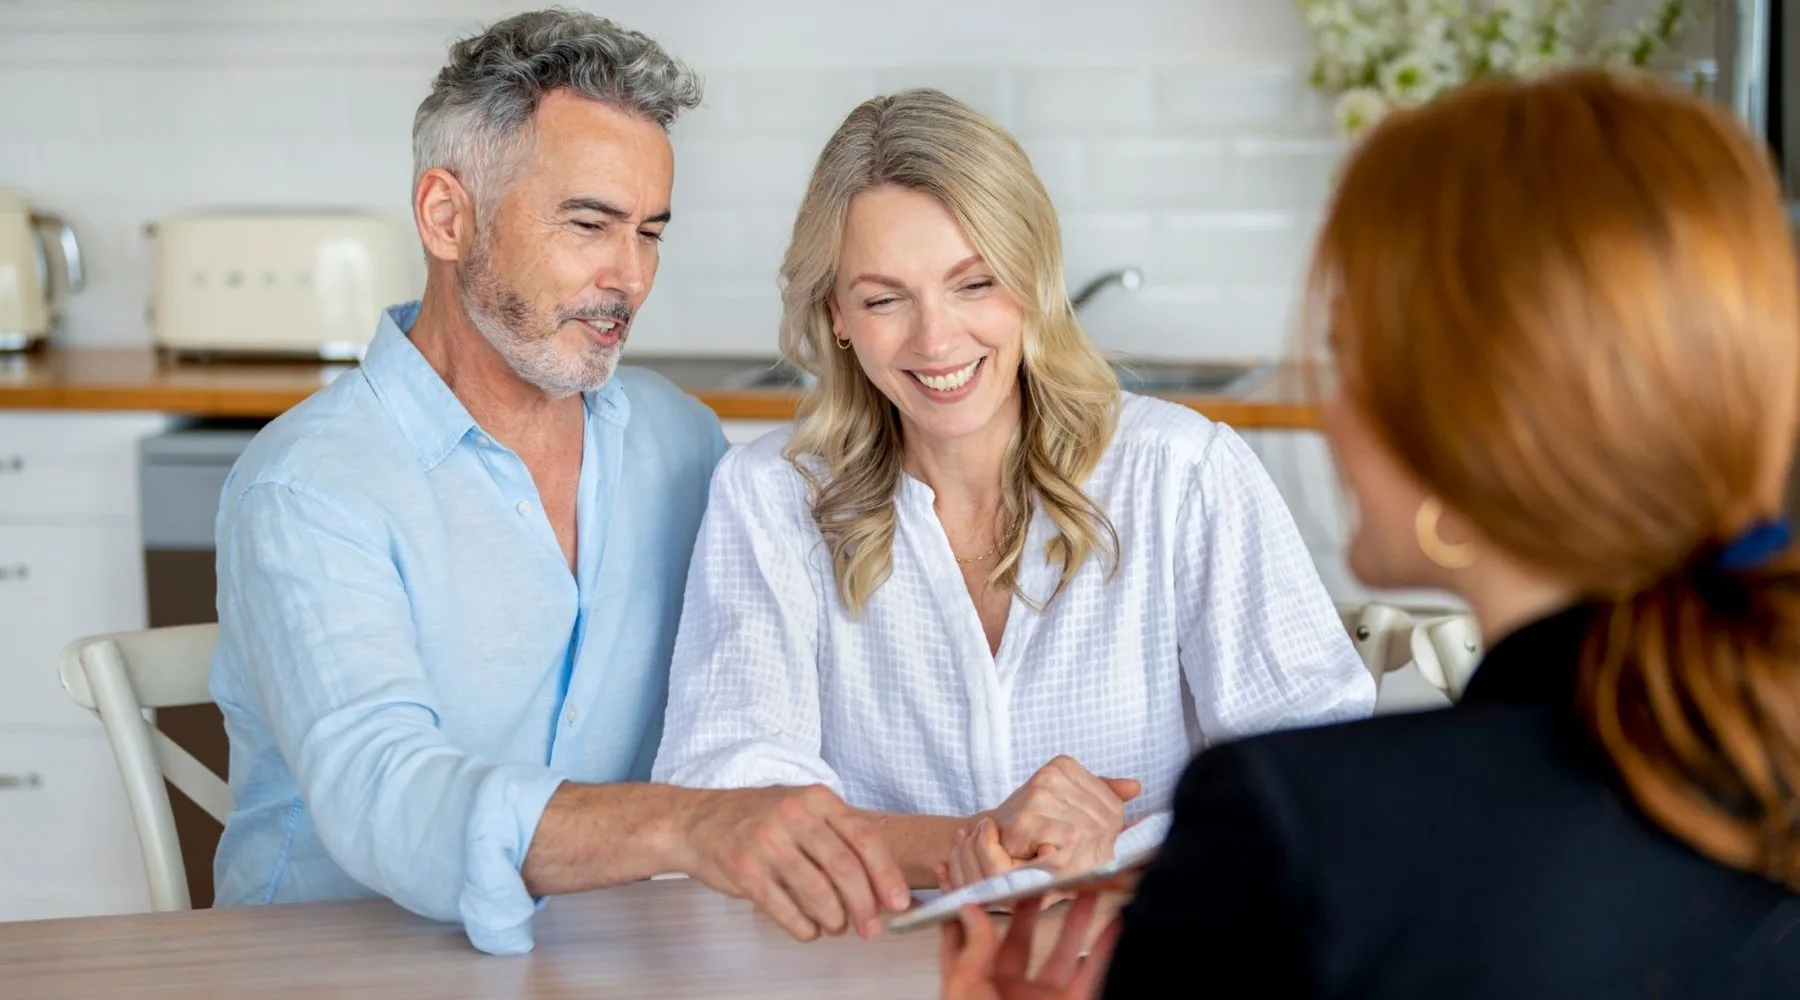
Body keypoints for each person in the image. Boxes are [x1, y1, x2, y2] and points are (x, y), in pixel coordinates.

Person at [940, 68, 1800, 998]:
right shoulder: (1755, 760)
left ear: (1467, 423)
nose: (1330, 414)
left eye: (1348, 358)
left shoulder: (1298, 832)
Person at [209, 10, 911, 956]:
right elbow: (385, 792)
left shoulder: (679, 442)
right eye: (589, 225)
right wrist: (684, 825)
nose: (631, 278)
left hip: (605, 958)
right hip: (335, 960)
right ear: (447, 216)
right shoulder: (308, 489)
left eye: (650, 233)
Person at [652, 88, 1375, 890]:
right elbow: (726, 788)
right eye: (885, 299)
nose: (936, 340)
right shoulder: (771, 496)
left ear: (1033, 279)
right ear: (838, 315)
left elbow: (1319, 770)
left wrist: (1117, 851)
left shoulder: (1181, 472)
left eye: (974, 284)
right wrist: (972, 842)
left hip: (1143, 938)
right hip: (866, 949)